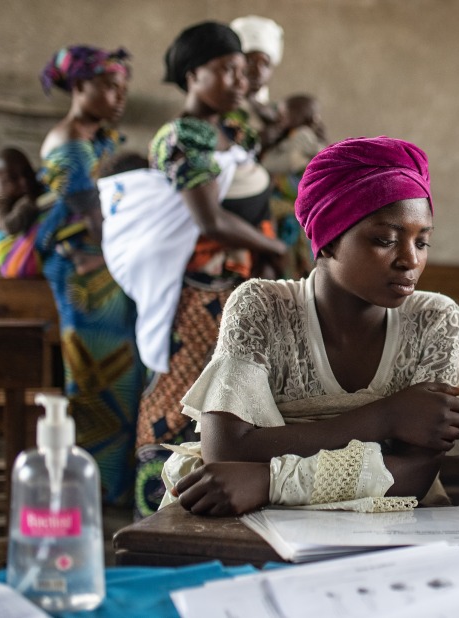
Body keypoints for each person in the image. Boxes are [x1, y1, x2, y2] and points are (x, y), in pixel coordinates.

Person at [161, 137, 459, 517]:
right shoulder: (262, 306)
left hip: (389, 522)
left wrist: (268, 480)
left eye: (422, 242)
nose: (410, 260)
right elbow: (225, 451)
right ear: (327, 241)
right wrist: (386, 418)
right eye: (385, 240)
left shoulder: (434, 318)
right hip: (254, 519)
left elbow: (415, 474)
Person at [134, 21, 288, 517]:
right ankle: (157, 514)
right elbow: (209, 218)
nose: (239, 81)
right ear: (192, 74)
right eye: (226, 70)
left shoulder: (235, 131)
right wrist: (272, 246)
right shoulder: (178, 137)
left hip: (239, 289)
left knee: (229, 405)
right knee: (179, 401)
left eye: (243, 71)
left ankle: (218, 512)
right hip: (198, 296)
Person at [37, 45, 146, 507]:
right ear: (78, 87)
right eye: (108, 86)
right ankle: (91, 493)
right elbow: (96, 218)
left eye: (123, 88)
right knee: (93, 379)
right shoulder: (67, 144)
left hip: (107, 267)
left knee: (124, 378)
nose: (118, 97)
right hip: (85, 276)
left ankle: (113, 487)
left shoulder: (98, 139)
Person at [261, 93, 330, 279]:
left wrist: (265, 157)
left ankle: (296, 272)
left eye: (285, 113)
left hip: (296, 199)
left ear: (301, 116)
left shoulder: (302, 135)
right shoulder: (297, 135)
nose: (279, 117)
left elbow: (281, 163)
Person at [0, 147, 53, 279]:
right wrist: (27, 203)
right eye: (12, 179)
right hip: (15, 264)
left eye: (28, 173)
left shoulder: (29, 188)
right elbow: (10, 226)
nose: (24, 182)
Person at [229, 14, 285, 152]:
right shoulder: (223, 110)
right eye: (250, 61)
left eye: (265, 64)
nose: (258, 71)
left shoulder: (279, 111)